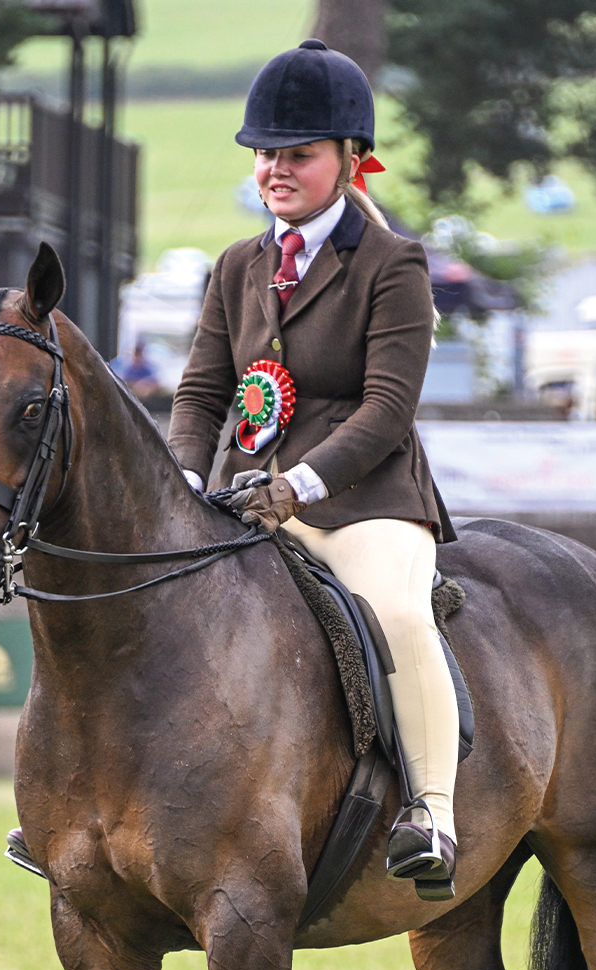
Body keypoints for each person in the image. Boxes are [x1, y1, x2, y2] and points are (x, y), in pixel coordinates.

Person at [168, 39, 462, 900]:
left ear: (351, 160)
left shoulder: (393, 265)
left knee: (397, 614)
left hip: (363, 498)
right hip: (242, 495)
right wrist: (186, 481)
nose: (275, 170)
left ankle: (434, 812)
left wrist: (301, 484)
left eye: (297, 154)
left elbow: (386, 409)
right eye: (266, 154)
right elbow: (200, 392)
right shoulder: (236, 267)